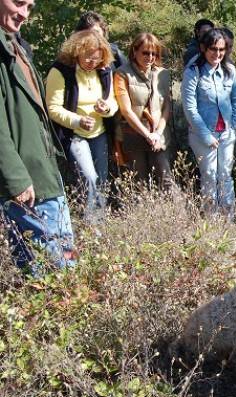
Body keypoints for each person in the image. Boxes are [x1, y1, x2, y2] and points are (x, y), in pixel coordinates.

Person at [0, 0, 76, 273]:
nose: (24, 14)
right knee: (60, 266)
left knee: (40, 263)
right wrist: (17, 178)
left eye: (29, 7)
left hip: (42, 171)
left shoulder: (14, 44)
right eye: (18, 3)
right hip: (28, 179)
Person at [45, 30, 118, 222]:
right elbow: (53, 108)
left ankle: (99, 223)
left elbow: (112, 101)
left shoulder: (104, 71)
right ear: (76, 51)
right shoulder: (60, 71)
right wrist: (78, 120)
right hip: (75, 134)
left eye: (97, 59)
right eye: (88, 58)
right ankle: (90, 225)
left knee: (101, 180)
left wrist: (106, 109)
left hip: (100, 133)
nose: (92, 63)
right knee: (89, 178)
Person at [182, 29, 236, 219]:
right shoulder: (193, 71)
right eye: (213, 49)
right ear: (203, 48)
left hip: (226, 133)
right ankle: (211, 219)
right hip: (203, 134)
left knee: (225, 174)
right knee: (209, 175)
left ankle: (228, 218)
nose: (217, 54)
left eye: (221, 49)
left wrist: (233, 125)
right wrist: (206, 135)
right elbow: (190, 107)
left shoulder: (229, 70)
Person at [114, 32, 173, 188]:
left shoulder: (163, 74)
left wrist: (157, 134)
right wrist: (147, 134)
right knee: (139, 182)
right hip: (133, 134)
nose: (150, 57)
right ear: (135, 51)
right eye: (146, 53)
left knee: (166, 179)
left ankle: (177, 211)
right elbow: (126, 110)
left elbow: (167, 106)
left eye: (154, 53)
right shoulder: (122, 73)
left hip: (158, 135)